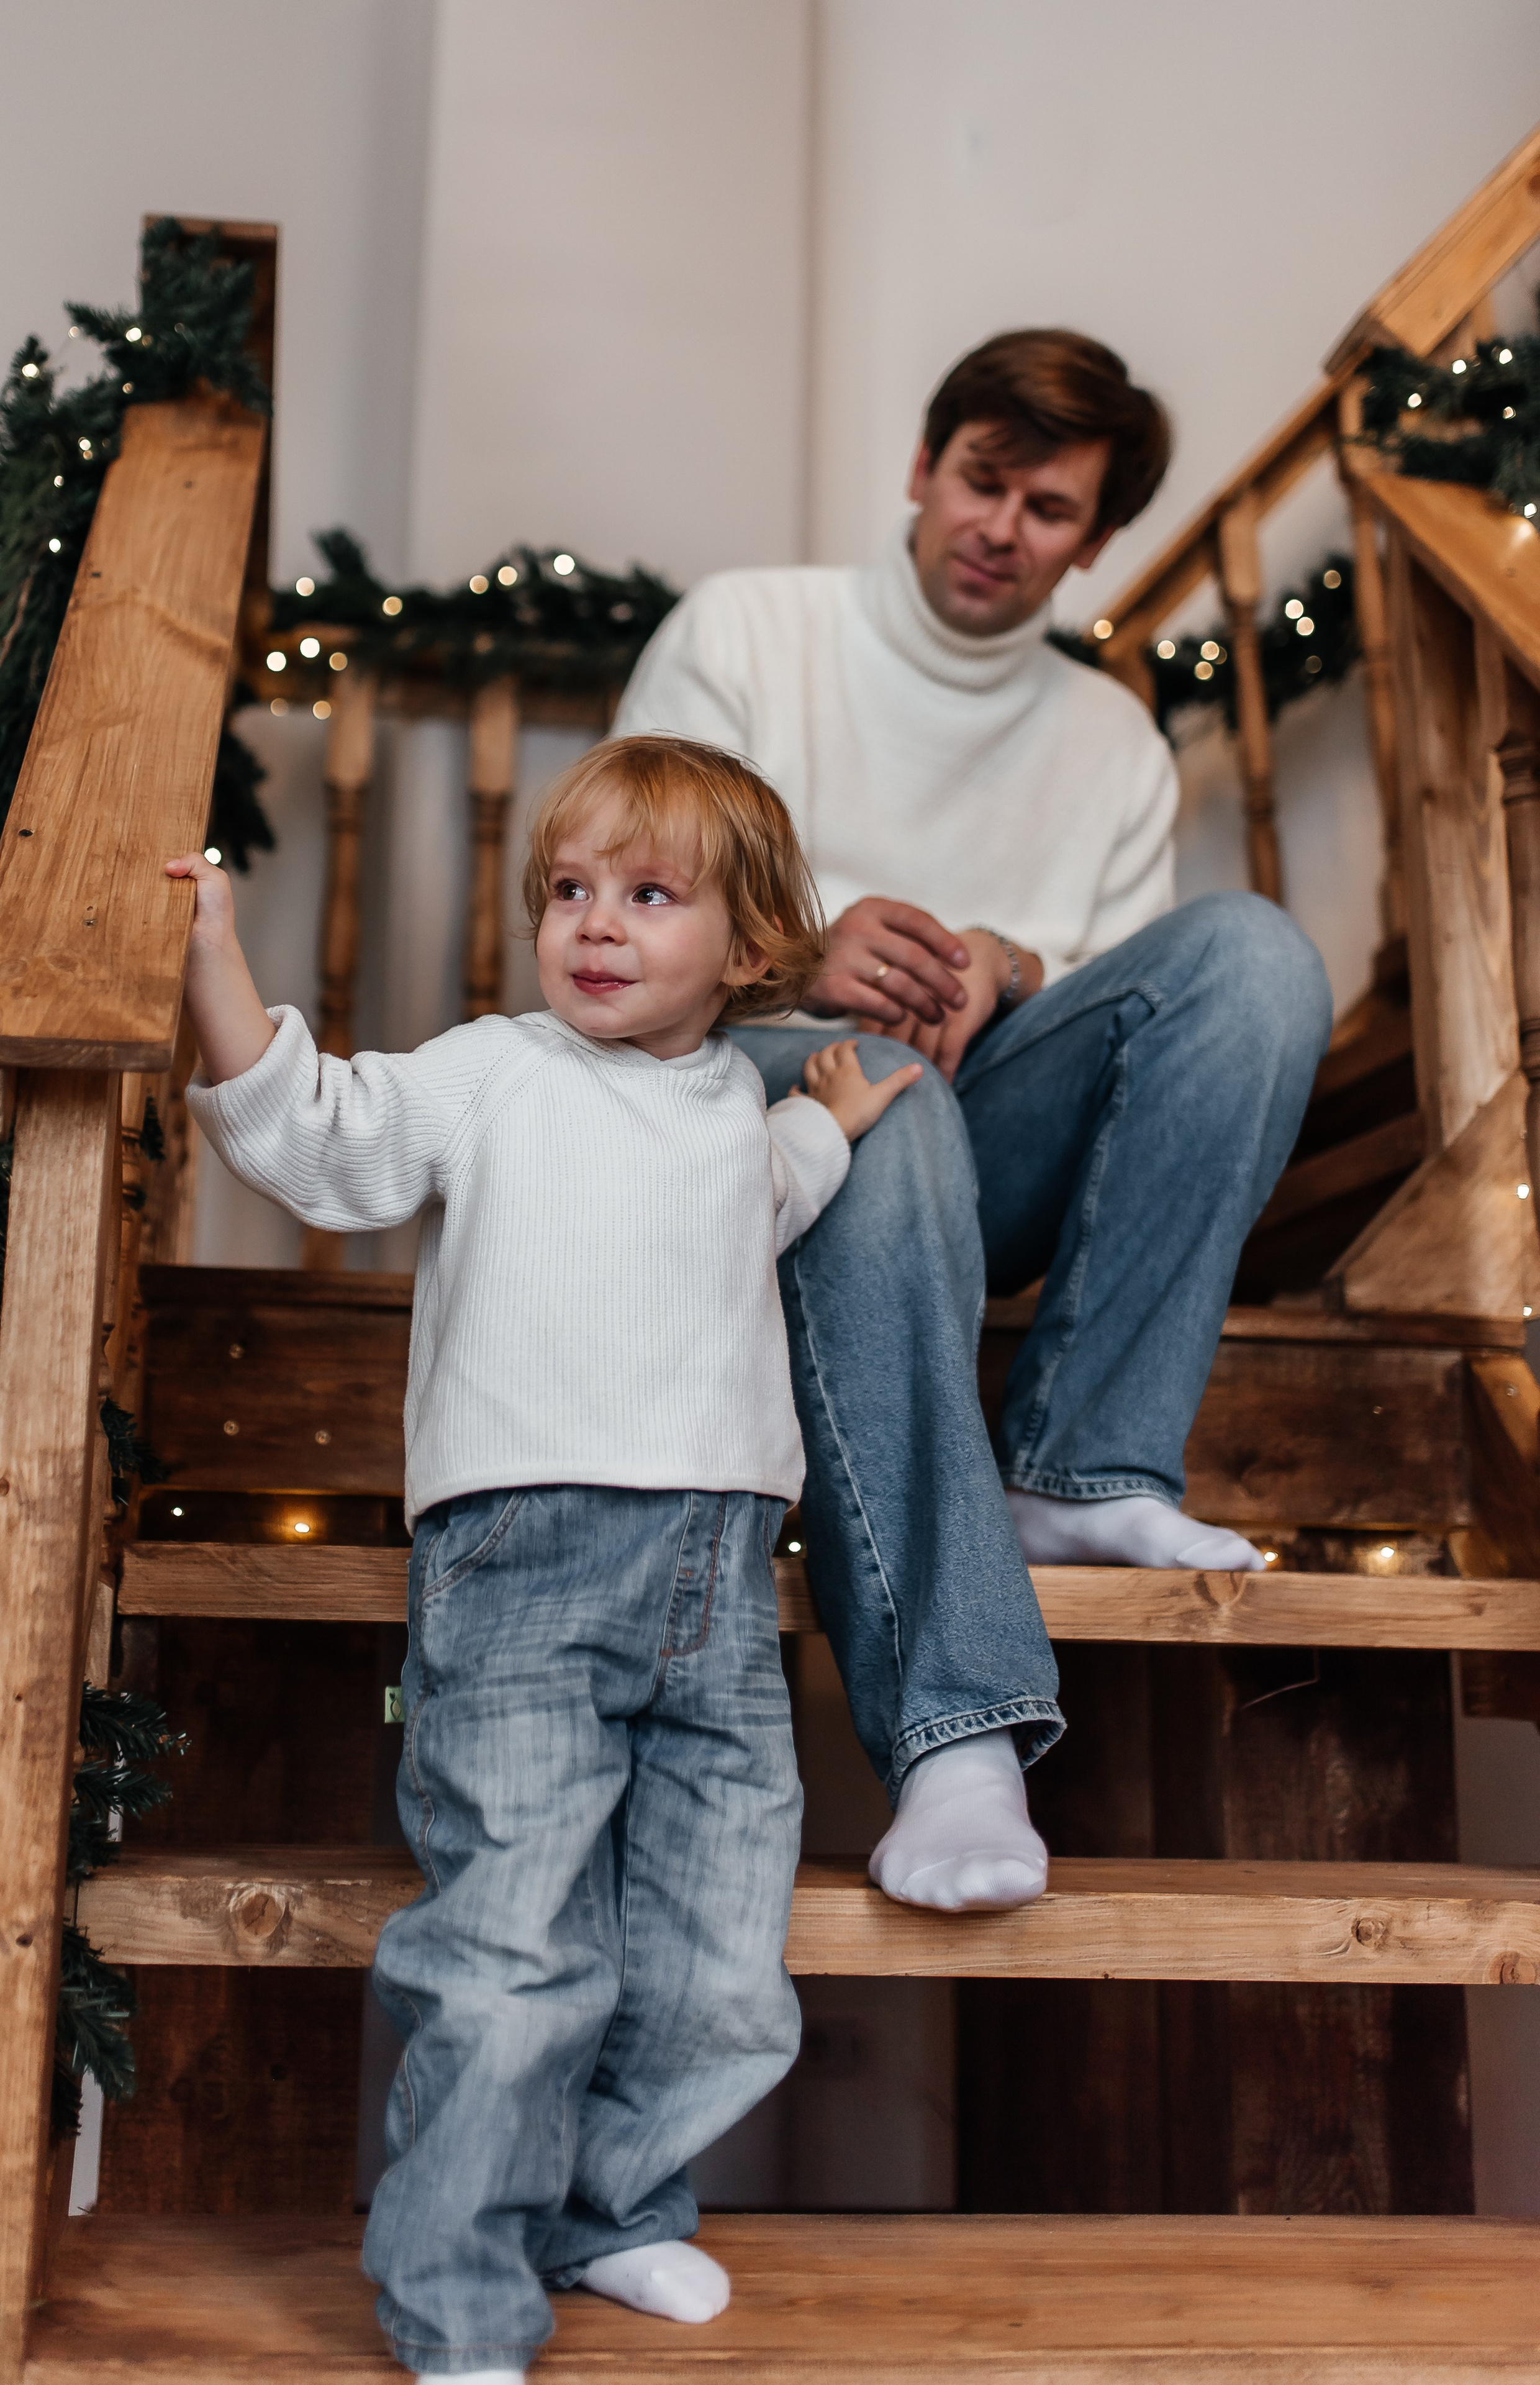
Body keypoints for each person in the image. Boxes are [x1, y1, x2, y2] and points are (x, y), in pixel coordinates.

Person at [166, 738, 920, 2380]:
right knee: (517, 1955)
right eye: (570, 892)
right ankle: (458, 2300)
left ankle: (617, 2206)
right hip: (522, 1566)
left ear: (747, 951)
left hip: (720, 1584)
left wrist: (842, 1116)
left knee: (720, 1956)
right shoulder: (491, 1072)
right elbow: (312, 1134)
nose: (594, 925)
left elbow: (785, 1183)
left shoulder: (737, 1105)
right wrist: (215, 961)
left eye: (649, 898)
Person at [615, 327, 1334, 1917]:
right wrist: (796, 956)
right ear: (920, 469)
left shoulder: (1113, 745)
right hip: (721, 1136)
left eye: (1049, 507)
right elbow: (611, 917)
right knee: (892, 1106)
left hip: (969, 1153)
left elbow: (1132, 1046)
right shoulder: (747, 632)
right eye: (978, 479)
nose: (999, 527)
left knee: (1255, 959)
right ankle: (953, 1733)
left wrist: (1011, 970)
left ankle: (1082, 1469)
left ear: (1093, 538)